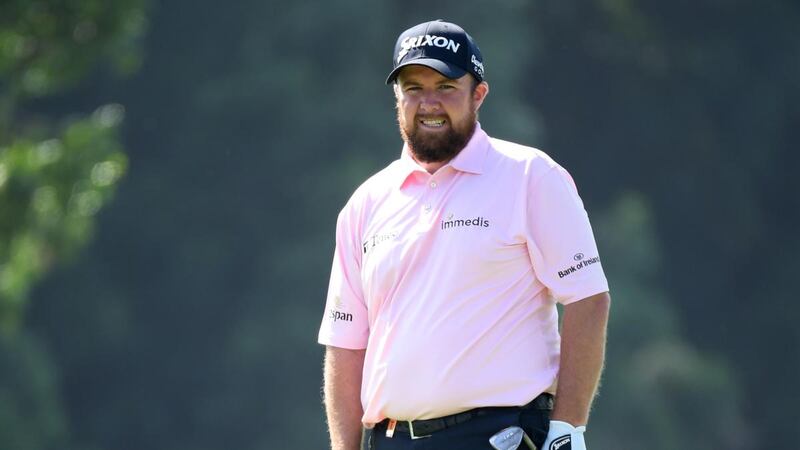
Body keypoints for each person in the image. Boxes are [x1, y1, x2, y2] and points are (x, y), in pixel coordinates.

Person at [318, 19, 610, 450]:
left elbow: (588, 298)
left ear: (478, 94)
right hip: (391, 439)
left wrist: (567, 428)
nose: (429, 102)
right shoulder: (365, 203)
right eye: (414, 88)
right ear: (397, 97)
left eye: (446, 87)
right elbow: (346, 345)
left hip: (498, 436)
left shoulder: (530, 175)